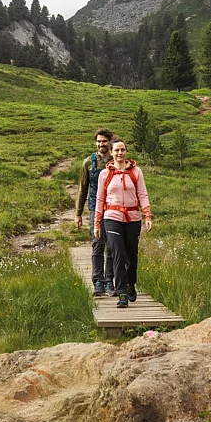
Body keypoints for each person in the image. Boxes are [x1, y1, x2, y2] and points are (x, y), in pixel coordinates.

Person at [93, 137, 153, 308]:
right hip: (111, 217)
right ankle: (122, 293)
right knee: (117, 253)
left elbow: (143, 194)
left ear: (126, 152)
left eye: (122, 150)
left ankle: (130, 284)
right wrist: (97, 223)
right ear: (111, 153)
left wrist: (147, 216)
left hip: (133, 218)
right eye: (116, 150)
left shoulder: (136, 172)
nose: (120, 153)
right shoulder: (105, 174)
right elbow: (99, 199)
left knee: (131, 256)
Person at [75, 128, 115, 296]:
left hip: (114, 208)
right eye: (98, 141)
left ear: (109, 142)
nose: (100, 144)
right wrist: (78, 213)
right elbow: (82, 188)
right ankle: (98, 281)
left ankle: (109, 282)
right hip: (94, 208)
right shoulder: (88, 163)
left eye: (104, 141)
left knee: (112, 245)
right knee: (98, 243)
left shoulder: (117, 160)